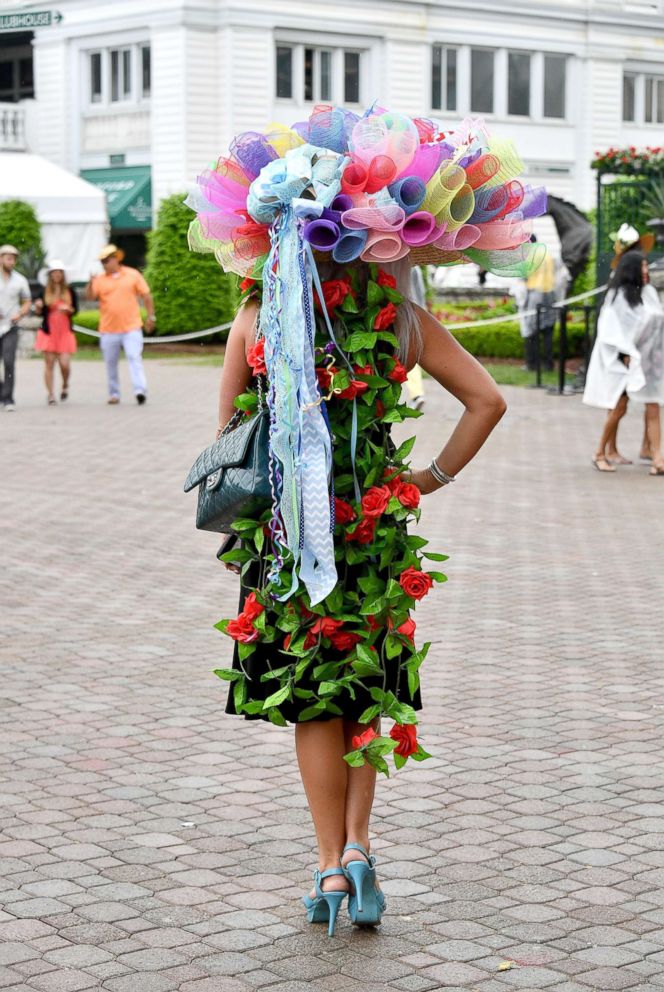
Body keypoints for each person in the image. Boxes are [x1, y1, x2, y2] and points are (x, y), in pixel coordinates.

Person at [187, 106, 545, 935]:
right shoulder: (406, 324)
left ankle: (327, 867)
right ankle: (358, 847)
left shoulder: (254, 322)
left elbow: (225, 438)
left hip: (287, 531)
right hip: (372, 526)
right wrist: (425, 478)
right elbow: (488, 401)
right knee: (362, 691)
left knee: (313, 696)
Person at [583, 252, 664, 475]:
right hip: (622, 363)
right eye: (643, 267)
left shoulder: (647, 293)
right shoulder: (618, 297)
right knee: (618, 409)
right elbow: (611, 332)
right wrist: (626, 354)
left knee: (653, 405)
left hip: (645, 361)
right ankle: (599, 452)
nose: (647, 271)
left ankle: (658, 459)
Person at [86, 244, 156, 405]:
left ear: (116, 259)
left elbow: (146, 296)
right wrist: (90, 283)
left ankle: (140, 390)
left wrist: (151, 317)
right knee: (111, 363)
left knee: (134, 357)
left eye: (106, 260)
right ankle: (114, 393)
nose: (104, 264)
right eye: (102, 261)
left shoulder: (132, 275)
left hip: (131, 327)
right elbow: (90, 297)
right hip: (108, 329)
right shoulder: (100, 279)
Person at [34, 260, 78, 405]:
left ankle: (65, 384)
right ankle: (51, 394)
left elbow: (75, 310)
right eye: (54, 272)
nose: (57, 275)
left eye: (59, 272)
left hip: (64, 331)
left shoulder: (70, 291)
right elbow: (39, 312)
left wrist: (68, 309)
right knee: (49, 364)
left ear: (63, 274)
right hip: (49, 331)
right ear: (50, 275)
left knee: (65, 364)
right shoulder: (43, 291)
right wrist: (38, 307)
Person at [0, 244, 32, 411]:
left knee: (9, 361)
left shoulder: (20, 280)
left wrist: (20, 314)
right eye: (8, 258)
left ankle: (8, 398)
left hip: (10, 326)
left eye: (13, 259)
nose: (11, 262)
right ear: (1, 259)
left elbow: (27, 301)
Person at [520, 237, 557, 371]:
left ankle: (532, 364)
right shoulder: (547, 253)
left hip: (535, 295)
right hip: (551, 294)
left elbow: (523, 278)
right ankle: (548, 364)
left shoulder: (529, 256)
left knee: (531, 331)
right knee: (548, 332)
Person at [405, 265, 426, 410]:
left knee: (409, 356)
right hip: (412, 315)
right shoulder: (415, 268)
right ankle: (416, 394)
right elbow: (421, 294)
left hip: (407, 316)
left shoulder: (413, 269)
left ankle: (416, 394)